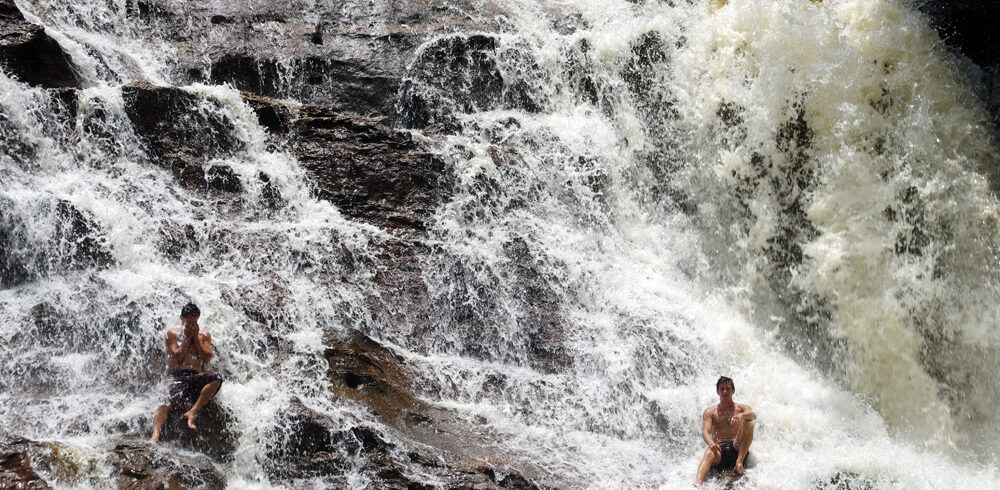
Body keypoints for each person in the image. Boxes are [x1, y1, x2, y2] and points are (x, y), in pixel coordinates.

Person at [148, 303, 223, 443]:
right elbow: (177, 357)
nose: (192, 325)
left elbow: (206, 358)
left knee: (216, 378)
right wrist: (188, 338)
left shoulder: (204, 335)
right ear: (181, 318)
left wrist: (196, 338)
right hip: (176, 375)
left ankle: (192, 412)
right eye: (188, 322)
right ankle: (155, 435)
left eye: (194, 322)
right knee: (164, 399)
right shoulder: (172, 333)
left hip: (195, 375)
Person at [694, 376, 755, 485]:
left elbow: (753, 415)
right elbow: (705, 432)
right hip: (720, 450)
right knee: (709, 452)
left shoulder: (742, 408)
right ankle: (697, 484)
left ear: (733, 391)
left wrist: (742, 415)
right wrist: (711, 444)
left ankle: (739, 462)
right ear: (717, 391)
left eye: (728, 389)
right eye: (722, 389)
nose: (725, 391)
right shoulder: (710, 412)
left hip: (737, 447)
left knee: (749, 422)